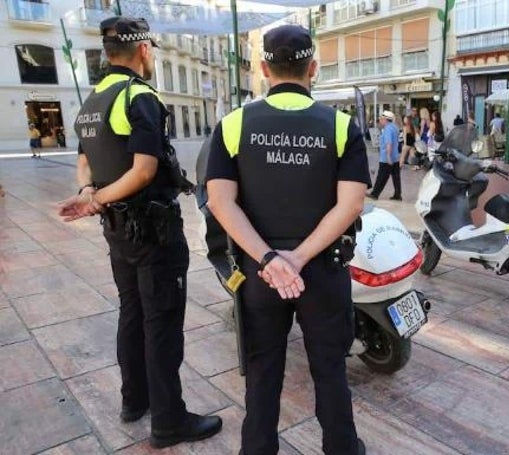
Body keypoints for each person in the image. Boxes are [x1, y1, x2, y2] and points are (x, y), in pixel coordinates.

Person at [56, 16, 222, 449]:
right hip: (153, 232)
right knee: (162, 321)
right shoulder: (138, 96)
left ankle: (135, 401)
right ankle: (168, 421)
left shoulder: (93, 100)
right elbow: (145, 169)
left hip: (118, 233)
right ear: (144, 50)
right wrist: (96, 199)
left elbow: (85, 161)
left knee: (132, 313)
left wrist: (90, 193)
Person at [205, 24, 369, 455]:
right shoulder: (341, 125)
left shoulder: (233, 124)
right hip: (323, 270)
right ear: (313, 68)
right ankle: (342, 447)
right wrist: (297, 258)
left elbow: (220, 203)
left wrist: (270, 259)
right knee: (330, 369)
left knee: (262, 370)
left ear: (263, 69)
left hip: (261, 275)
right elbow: (350, 205)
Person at [368, 110, 402, 201]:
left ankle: (375, 194)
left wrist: (388, 157)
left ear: (385, 119)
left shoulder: (387, 129)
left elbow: (389, 144)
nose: (380, 120)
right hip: (395, 157)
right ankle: (397, 194)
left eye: (381, 119)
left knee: (382, 176)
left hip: (387, 158)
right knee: (396, 177)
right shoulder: (395, 127)